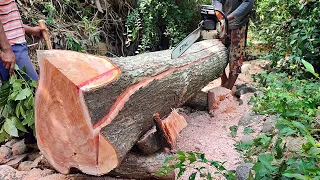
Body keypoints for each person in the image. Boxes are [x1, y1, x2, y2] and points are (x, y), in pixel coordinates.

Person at [212, 0, 254, 90]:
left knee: (236, 56)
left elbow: (248, 2)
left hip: (238, 23)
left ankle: (228, 89)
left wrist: (231, 16)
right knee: (217, 52)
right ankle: (224, 80)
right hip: (222, 23)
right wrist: (218, 13)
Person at [0, 0, 46, 81]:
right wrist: (6, 49)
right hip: (12, 47)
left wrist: (30, 30)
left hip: (12, 47)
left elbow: (6, 18)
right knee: (35, 87)